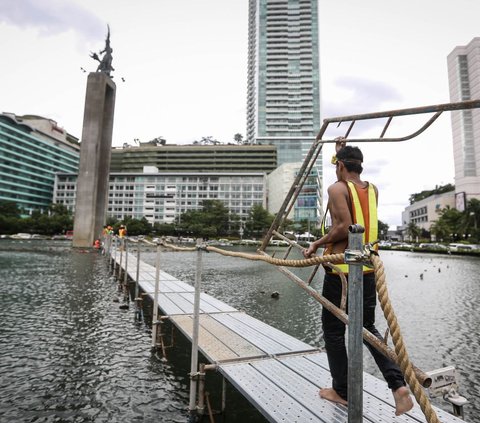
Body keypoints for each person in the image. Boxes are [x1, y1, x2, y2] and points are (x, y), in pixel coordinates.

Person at [303, 139, 413, 416]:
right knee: (367, 329)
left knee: (333, 330)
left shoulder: (336, 188)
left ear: (340, 166)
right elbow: (350, 192)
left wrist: (316, 244)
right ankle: (398, 386)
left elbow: (341, 226)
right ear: (359, 166)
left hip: (341, 271)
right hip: (367, 268)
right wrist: (341, 150)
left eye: (337, 164)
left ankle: (341, 390)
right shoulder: (371, 188)